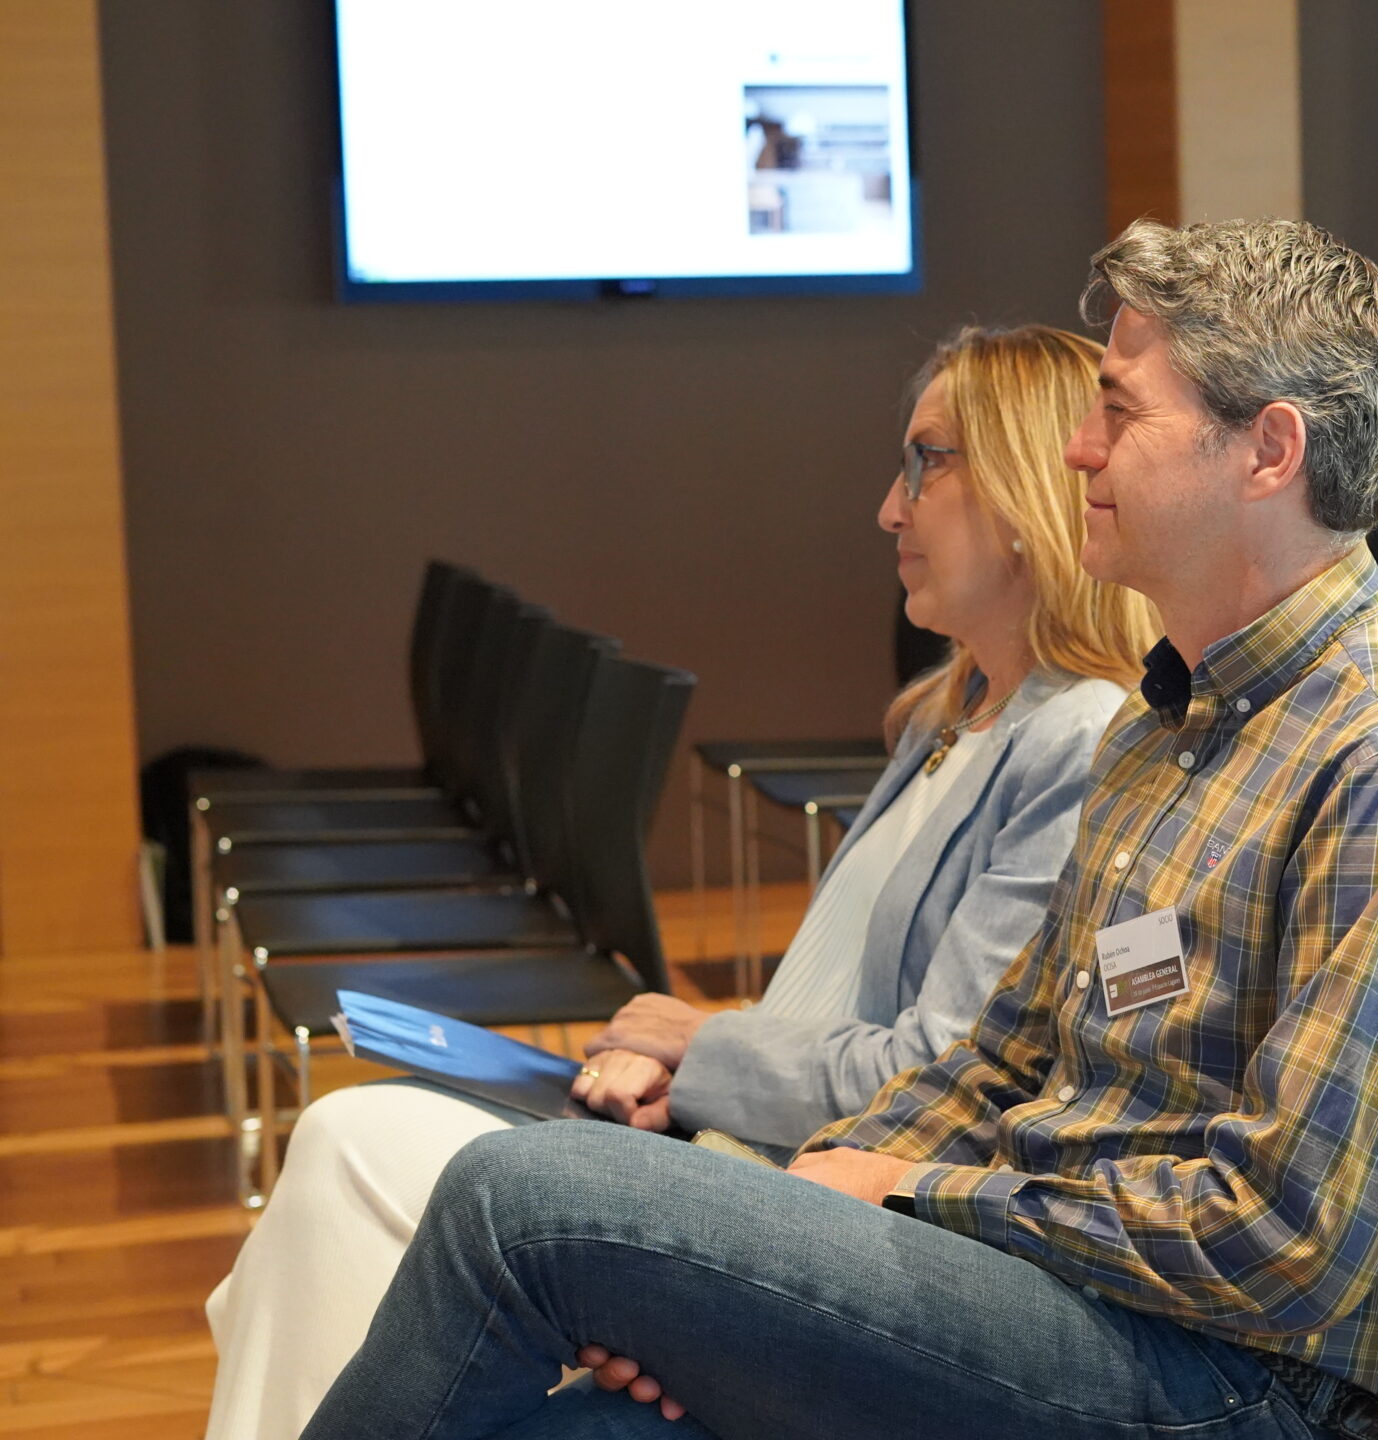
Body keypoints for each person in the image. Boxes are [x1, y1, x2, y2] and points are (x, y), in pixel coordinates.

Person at [298, 218, 1378, 1440]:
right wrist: (787, 1221)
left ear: (1268, 452)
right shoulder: (1165, 723)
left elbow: (1281, 1243)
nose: (1078, 451)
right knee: (593, 1429)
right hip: (1065, 1303)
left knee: (522, 1198)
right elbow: (1000, 1062)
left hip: (1228, 1386)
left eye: (1119, 413)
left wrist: (905, 1194)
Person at [199, 324, 1156, 1440]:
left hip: (815, 1191)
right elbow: (836, 1011)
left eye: (925, 463)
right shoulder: (949, 715)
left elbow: (938, 1068)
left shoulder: (1076, 736)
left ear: (1025, 486)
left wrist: (702, 1051)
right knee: (341, 1165)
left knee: (347, 1156)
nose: (890, 511)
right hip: (735, 1144)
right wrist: (685, 1069)